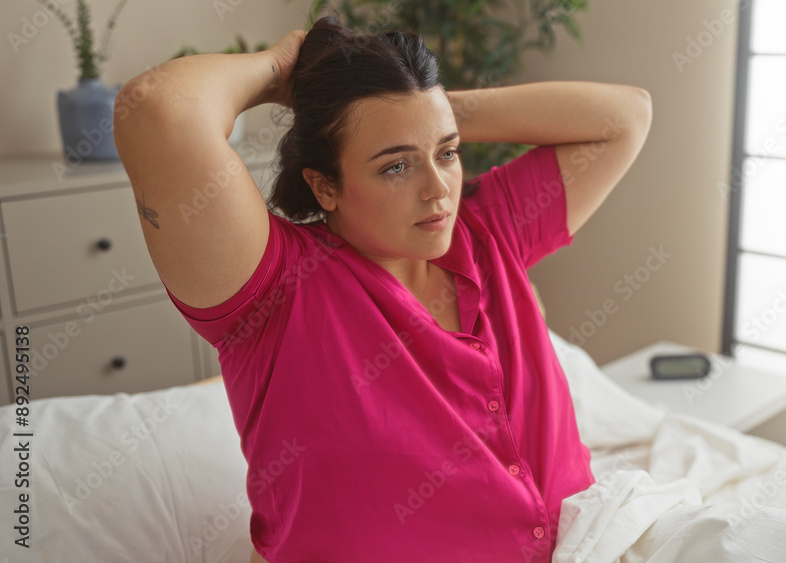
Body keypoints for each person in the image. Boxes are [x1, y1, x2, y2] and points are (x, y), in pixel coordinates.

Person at [114, 15, 652, 562]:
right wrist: (278, 67)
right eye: (396, 167)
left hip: (591, 546)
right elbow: (155, 110)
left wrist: (422, 110)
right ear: (324, 186)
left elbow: (627, 116)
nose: (437, 189)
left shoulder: (488, 229)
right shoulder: (277, 289)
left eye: (447, 153)